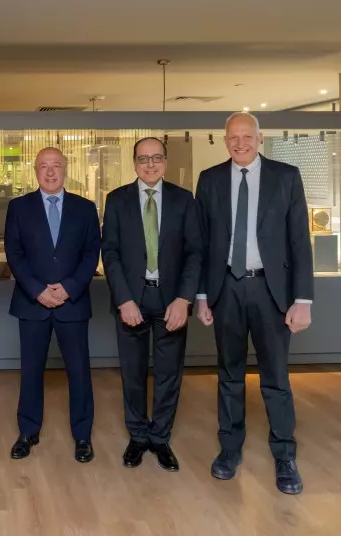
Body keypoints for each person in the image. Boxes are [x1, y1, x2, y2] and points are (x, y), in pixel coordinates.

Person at [195, 112, 313, 494]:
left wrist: (303, 299)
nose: (240, 143)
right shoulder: (210, 179)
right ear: (224, 141)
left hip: (270, 291)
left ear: (260, 139)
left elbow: (300, 241)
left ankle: (285, 455)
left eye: (247, 136)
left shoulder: (286, 176)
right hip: (226, 289)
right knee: (229, 374)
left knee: (275, 377)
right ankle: (229, 449)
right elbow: (202, 243)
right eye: (233, 137)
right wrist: (202, 294)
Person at [101, 137, 202, 472]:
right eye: (143, 158)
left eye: (156, 158)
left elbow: (194, 253)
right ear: (134, 163)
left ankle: (160, 437)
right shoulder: (117, 200)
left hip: (171, 300)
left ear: (165, 162)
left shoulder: (184, 200)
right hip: (132, 299)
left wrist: (184, 299)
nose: (150, 164)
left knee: (168, 374)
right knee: (132, 372)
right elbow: (110, 253)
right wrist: (124, 299)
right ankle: (138, 435)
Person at [4, 147, 100, 463]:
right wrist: (37, 290)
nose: (50, 172)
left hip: (73, 303)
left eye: (56, 165)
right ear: (35, 170)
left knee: (79, 372)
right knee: (31, 370)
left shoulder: (85, 208)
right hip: (33, 303)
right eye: (43, 166)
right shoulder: (19, 207)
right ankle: (27, 431)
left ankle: (83, 435)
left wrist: (69, 288)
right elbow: (15, 254)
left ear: (65, 168)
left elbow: (91, 253)